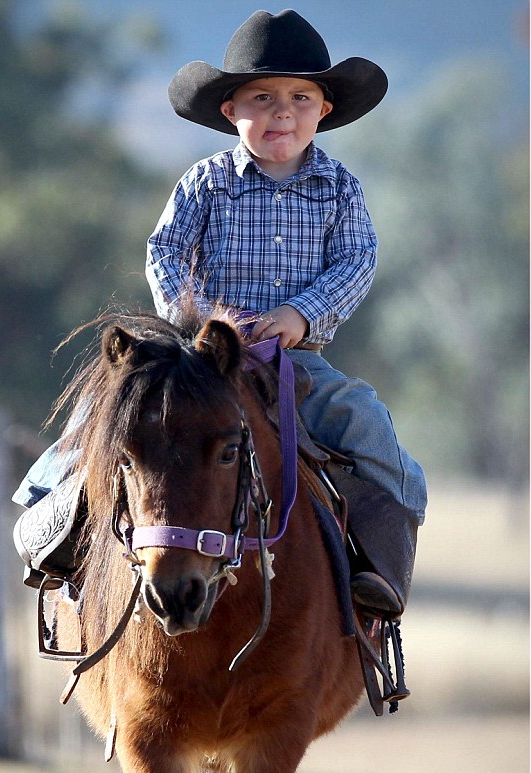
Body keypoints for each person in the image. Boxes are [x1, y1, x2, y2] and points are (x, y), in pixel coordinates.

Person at [144, 8, 427, 619]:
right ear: (230, 112)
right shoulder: (205, 183)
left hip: (295, 362)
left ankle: (379, 571)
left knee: (368, 428)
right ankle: (54, 523)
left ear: (323, 110)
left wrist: (302, 312)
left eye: (301, 97)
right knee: (113, 410)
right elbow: (164, 249)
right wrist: (190, 321)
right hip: (206, 364)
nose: (282, 112)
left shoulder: (339, 187)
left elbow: (357, 260)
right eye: (262, 97)